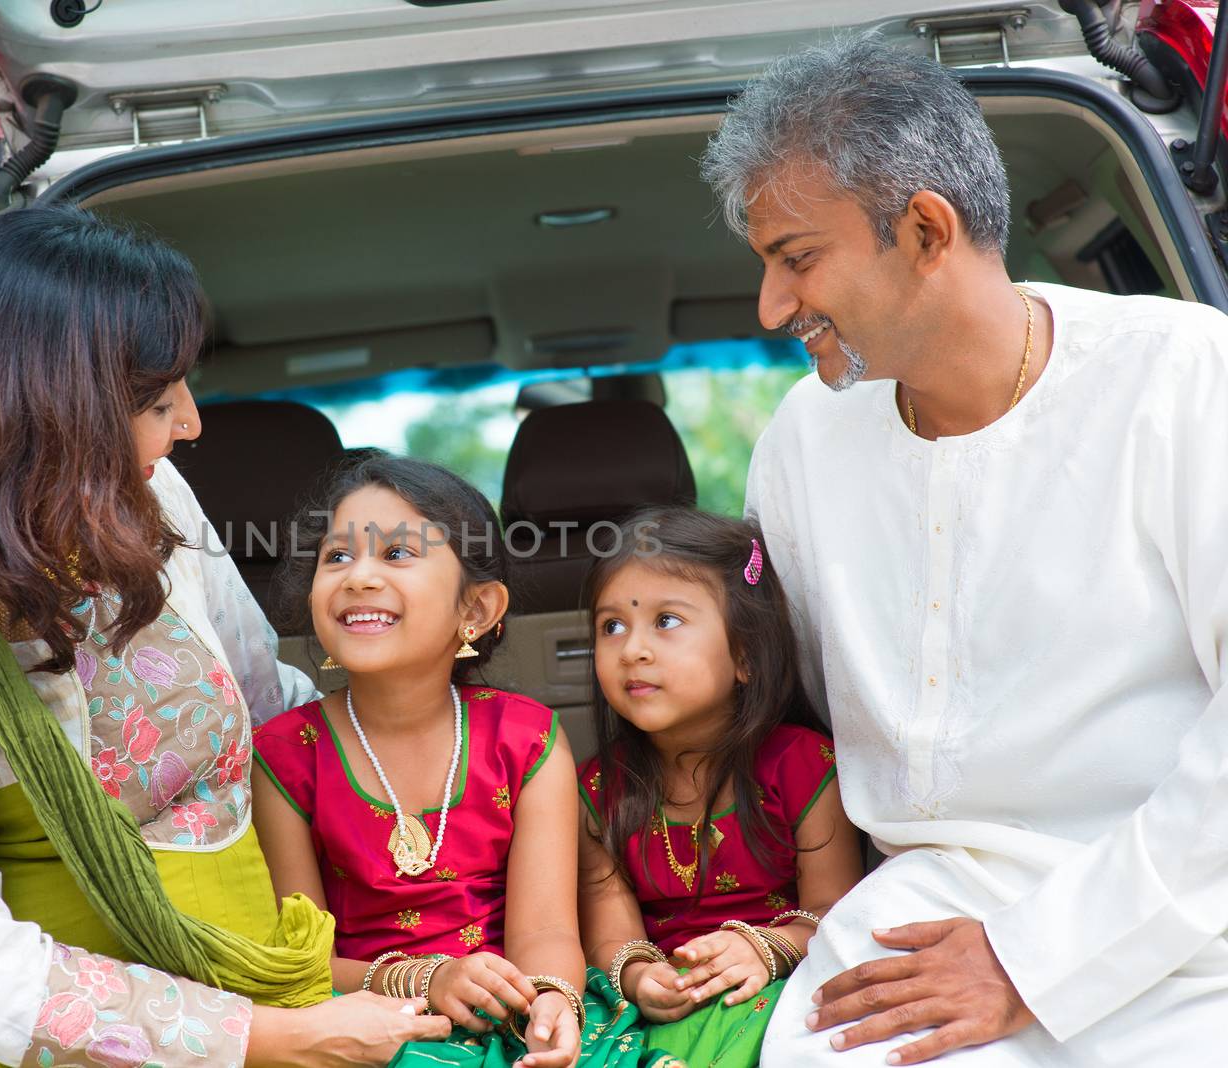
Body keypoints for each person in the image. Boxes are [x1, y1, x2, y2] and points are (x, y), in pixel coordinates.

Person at [0, 205, 453, 1066]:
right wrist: (266, 1038)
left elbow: (272, 701)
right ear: (55, 414)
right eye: (161, 400)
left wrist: (452, 751)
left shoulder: (153, 498)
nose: (194, 423)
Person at [697, 33, 1228, 1068]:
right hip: (916, 924)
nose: (771, 308)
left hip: (1191, 917)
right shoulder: (803, 439)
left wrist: (1032, 960)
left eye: (796, 259)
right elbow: (789, 721)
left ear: (926, 229)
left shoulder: (1185, 381)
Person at [252, 454, 680, 1068]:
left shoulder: (525, 738)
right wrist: (427, 983)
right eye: (337, 557)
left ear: (475, 611)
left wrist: (555, 999)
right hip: (372, 1028)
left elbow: (546, 932)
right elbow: (303, 962)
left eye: (397, 554)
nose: (357, 577)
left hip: (517, 1006)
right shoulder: (284, 755)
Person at [576, 505, 862, 1067]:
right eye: (612, 625)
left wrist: (765, 947)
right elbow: (611, 933)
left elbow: (834, 911)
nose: (632, 648)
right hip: (659, 1006)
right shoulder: (598, 790)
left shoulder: (803, 767)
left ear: (745, 655)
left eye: (666, 621)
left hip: (775, 985)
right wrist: (638, 976)